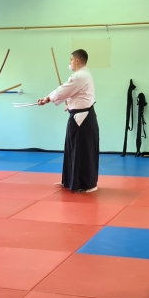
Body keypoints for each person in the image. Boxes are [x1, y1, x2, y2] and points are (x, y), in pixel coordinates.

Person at [37, 49, 99, 192]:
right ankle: (70, 180)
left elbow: (64, 90)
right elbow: (73, 94)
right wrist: (69, 105)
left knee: (82, 151)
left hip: (82, 119)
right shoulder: (81, 75)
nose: (70, 62)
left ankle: (87, 184)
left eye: (71, 59)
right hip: (78, 117)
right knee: (72, 149)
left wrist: (47, 98)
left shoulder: (80, 76)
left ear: (77, 60)